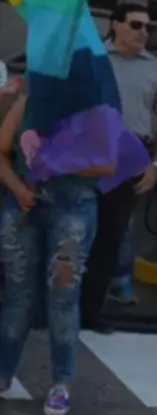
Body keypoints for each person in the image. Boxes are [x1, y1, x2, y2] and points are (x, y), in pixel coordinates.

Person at [81, 3, 157, 333]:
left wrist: (156, 165)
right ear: (116, 25)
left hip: (130, 158)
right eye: (136, 25)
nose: (143, 33)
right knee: (73, 231)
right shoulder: (92, 59)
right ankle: (55, 307)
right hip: (88, 154)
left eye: (147, 27)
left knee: (110, 238)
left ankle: (91, 311)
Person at [0, 92, 96, 414]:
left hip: (73, 207)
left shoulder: (93, 108)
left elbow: (108, 163)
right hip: (23, 203)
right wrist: (17, 188)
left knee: (62, 295)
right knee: (18, 293)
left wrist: (56, 160)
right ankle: (3, 372)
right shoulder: (28, 101)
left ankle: (61, 383)